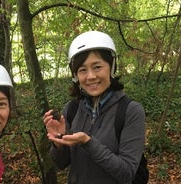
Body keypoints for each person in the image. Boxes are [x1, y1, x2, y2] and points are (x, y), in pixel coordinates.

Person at [43, 30, 146, 184]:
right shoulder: (71, 110)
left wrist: (87, 142)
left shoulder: (130, 111)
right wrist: (58, 143)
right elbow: (61, 163)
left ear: (111, 68)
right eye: (82, 70)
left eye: (97, 67)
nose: (90, 76)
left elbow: (127, 173)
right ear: (76, 75)